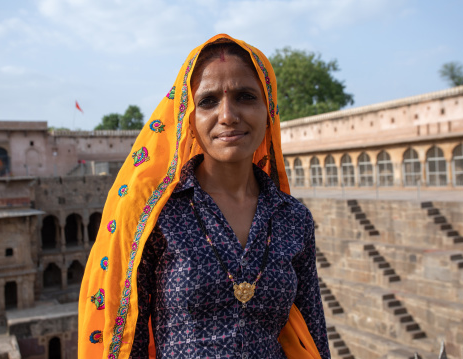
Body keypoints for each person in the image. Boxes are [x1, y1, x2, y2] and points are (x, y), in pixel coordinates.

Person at [78, 34, 330, 359]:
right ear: (188, 120)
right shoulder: (153, 217)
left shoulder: (292, 218)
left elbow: (313, 334)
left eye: (245, 97)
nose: (228, 115)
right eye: (209, 101)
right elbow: (128, 341)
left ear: (269, 111)